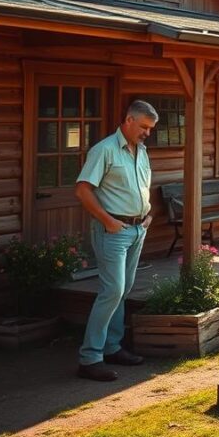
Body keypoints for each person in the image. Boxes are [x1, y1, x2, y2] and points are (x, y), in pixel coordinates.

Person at [73, 100, 157, 381]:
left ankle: (112, 347)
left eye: (151, 128)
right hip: (113, 231)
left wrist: (148, 216)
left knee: (123, 290)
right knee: (112, 290)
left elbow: (142, 188)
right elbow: (83, 190)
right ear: (129, 120)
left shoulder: (141, 151)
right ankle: (90, 357)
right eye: (144, 127)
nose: (148, 133)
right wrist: (108, 221)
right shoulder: (105, 150)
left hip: (137, 229)